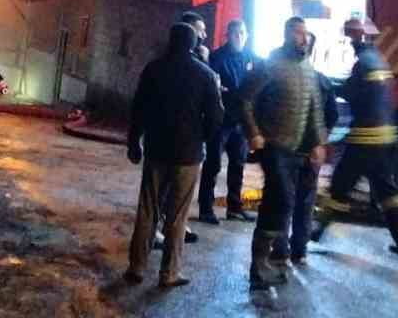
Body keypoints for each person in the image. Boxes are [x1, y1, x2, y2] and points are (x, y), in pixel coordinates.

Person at [125, 20, 223, 289]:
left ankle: (136, 266)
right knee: (178, 215)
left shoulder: (154, 69)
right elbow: (216, 117)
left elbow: (138, 109)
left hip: (156, 149)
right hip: (188, 154)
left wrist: (134, 142)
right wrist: (202, 138)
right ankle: (169, 272)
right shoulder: (205, 75)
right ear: (193, 44)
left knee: (148, 209)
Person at [311, 17, 398, 255]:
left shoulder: (362, 64)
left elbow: (352, 92)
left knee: (340, 184)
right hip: (387, 136)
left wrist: (327, 85)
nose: (350, 43)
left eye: (350, 39)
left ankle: (316, 232)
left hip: (365, 139)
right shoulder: (379, 60)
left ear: (356, 39)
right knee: (387, 190)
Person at [241, 16, 326, 288]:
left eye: (306, 33)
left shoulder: (307, 67)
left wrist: (318, 142)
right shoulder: (272, 64)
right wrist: (254, 132)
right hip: (274, 145)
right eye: (299, 33)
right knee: (281, 200)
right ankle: (260, 265)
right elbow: (244, 99)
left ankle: (270, 261)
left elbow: (314, 109)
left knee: (281, 201)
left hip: (297, 149)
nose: (304, 38)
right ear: (288, 34)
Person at [281, 31, 340, 265]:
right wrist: (320, 140)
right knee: (305, 202)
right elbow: (332, 115)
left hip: (287, 151)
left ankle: (280, 249)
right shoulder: (322, 81)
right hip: (311, 153)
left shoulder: (283, 77)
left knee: (283, 200)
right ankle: (299, 250)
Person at [198, 18, 256, 224]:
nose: (239, 37)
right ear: (228, 36)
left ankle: (234, 207)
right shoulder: (217, 58)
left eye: (242, 33)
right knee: (212, 165)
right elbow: (212, 87)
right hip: (220, 122)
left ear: (247, 35)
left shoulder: (252, 58)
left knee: (238, 165)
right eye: (235, 33)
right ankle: (206, 208)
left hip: (240, 123)